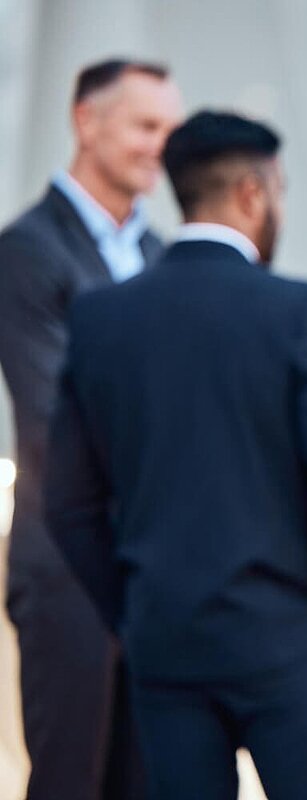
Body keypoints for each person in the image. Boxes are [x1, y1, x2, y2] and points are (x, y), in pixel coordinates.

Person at [43, 110, 307, 800]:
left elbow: (67, 502)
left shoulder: (101, 318)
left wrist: (134, 609)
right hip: (297, 641)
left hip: (166, 642)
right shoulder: (301, 312)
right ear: (253, 193)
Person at [0, 57, 182, 800]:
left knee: (149, 781)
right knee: (71, 780)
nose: (158, 147)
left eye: (170, 131)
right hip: (68, 565)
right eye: (145, 125)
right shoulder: (26, 250)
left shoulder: (163, 258)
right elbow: (55, 422)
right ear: (87, 121)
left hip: (152, 571)